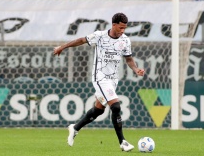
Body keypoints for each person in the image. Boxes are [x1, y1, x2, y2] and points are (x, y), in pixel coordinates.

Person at [53, 13, 145, 152]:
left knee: (98, 110)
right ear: (113, 25)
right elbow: (81, 40)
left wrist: (136, 69)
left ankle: (75, 128)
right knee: (116, 107)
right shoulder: (100, 36)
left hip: (113, 80)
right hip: (100, 77)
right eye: (120, 28)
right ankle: (123, 142)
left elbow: (129, 59)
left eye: (124, 28)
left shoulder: (125, 40)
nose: (122, 31)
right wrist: (62, 47)